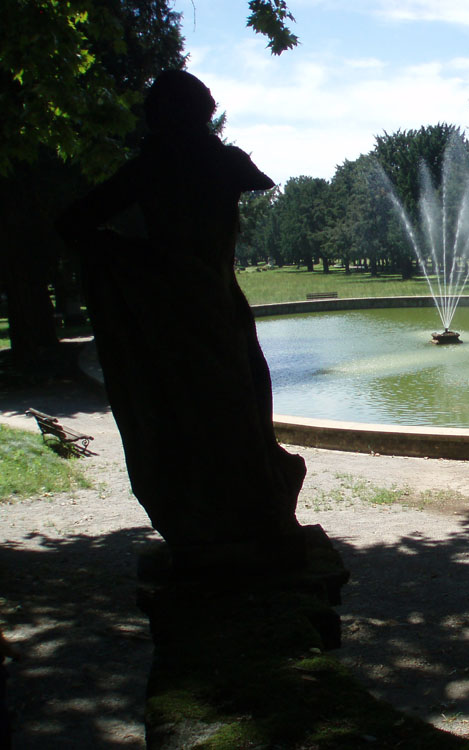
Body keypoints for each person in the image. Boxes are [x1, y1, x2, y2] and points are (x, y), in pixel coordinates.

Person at [58, 70, 305, 563]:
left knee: (207, 408)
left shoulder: (152, 168)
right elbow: (256, 179)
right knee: (236, 405)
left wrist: (127, 258)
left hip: (184, 310)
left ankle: (226, 514)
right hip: (210, 306)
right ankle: (247, 515)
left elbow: (72, 222)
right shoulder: (216, 164)